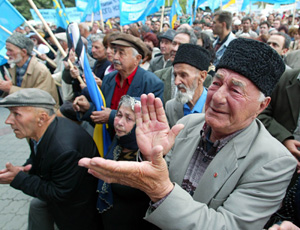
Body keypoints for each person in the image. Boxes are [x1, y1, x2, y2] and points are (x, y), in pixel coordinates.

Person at [78, 38, 297, 230]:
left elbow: (227, 225)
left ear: (262, 106)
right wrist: (151, 156)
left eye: (235, 90)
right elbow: (158, 178)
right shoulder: (188, 125)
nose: (218, 96)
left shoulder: (273, 162)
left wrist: (161, 191)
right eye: (217, 83)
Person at [0, 88, 99, 230]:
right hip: (68, 200)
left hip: (77, 212)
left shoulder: (64, 150)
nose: (8, 120)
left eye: (16, 114)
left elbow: (58, 193)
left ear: (42, 117)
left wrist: (18, 179)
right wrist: (27, 168)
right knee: (36, 206)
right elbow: (38, 155)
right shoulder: (44, 130)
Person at [73, 33, 164, 134]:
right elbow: (102, 111)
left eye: (121, 53)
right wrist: (87, 107)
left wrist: (112, 116)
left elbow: (149, 122)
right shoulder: (109, 79)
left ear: (137, 59)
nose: (115, 57)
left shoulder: (152, 84)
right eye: (115, 51)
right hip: (108, 140)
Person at [98, 95, 154, 229]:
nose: (119, 122)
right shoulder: (118, 142)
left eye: (128, 118)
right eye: (118, 115)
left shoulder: (148, 156)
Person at [0, 32, 59, 108]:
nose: (7, 53)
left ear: (24, 52)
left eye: (10, 50)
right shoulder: (15, 67)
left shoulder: (40, 70)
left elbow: (41, 98)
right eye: (7, 50)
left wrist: (10, 88)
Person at [165, 44, 210, 127]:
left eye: (183, 75)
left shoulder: (216, 107)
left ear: (202, 76)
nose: (176, 82)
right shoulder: (170, 107)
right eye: (175, 75)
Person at [154, 27, 198, 104]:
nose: (175, 48)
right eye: (174, 43)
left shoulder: (202, 78)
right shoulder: (158, 76)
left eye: (181, 45)